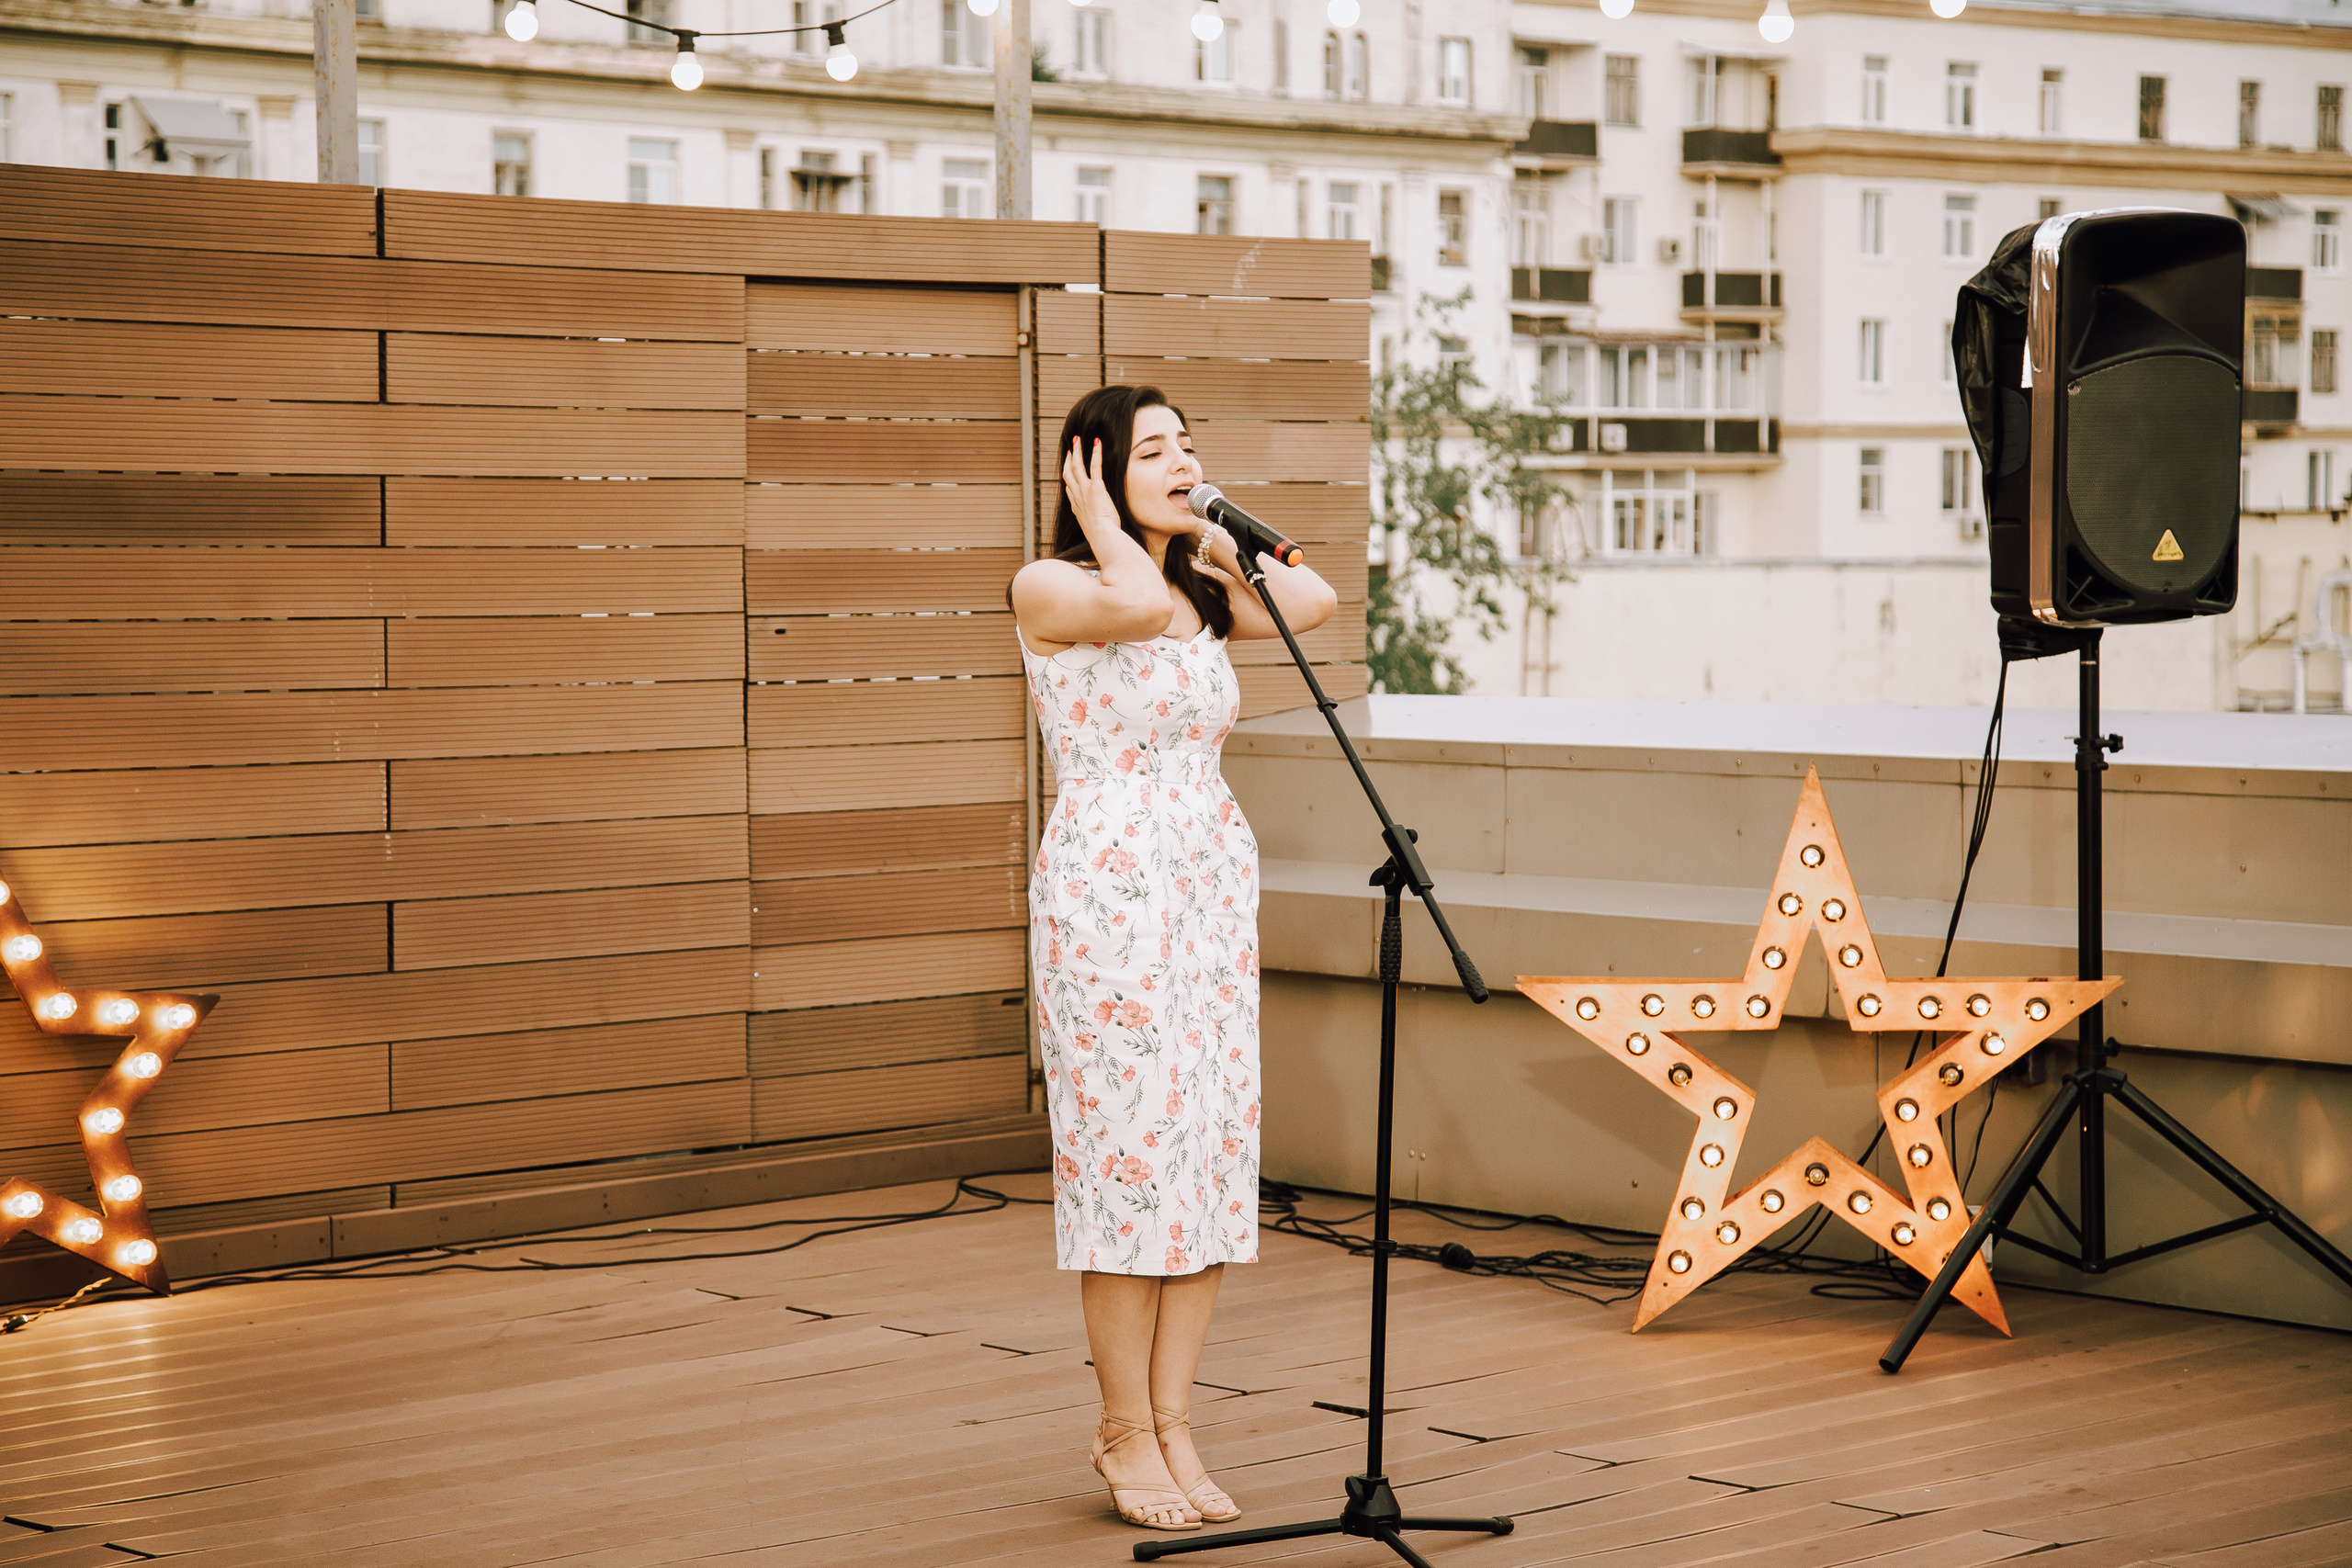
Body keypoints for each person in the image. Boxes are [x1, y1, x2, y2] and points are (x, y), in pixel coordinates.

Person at [1010, 384, 1338, 1532]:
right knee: (1127, 1171)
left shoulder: (1196, 588)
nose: (1182, 462)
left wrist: (1217, 527)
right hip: (1110, 902)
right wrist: (1113, 528)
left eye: (1189, 446)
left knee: (1200, 1169)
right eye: (1153, 450)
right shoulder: (1051, 586)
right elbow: (1134, 610)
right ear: (1088, 469)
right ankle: (1122, 1431)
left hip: (1203, 897)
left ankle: (1177, 1422)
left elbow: (1316, 598)